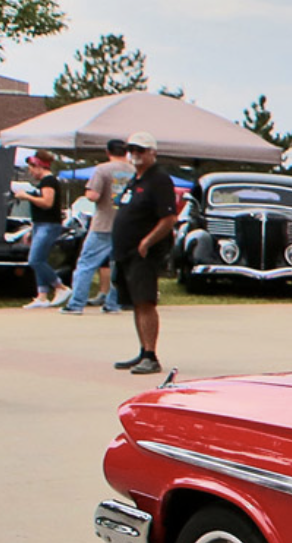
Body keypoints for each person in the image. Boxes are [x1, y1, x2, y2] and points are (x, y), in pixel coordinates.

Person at [109, 131, 178, 377]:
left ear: (152, 152)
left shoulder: (159, 180)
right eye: (132, 150)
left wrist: (147, 241)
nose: (135, 154)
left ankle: (151, 355)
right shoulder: (136, 179)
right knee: (137, 303)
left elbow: (169, 218)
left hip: (144, 253)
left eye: (140, 150)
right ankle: (142, 350)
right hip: (126, 253)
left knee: (146, 302)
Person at [64, 138, 128, 315]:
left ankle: (76, 303)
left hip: (103, 223)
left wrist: (88, 192)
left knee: (86, 263)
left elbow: (93, 195)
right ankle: (113, 303)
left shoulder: (102, 169)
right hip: (125, 225)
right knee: (117, 266)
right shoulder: (135, 171)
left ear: (108, 152)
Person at [15, 153, 70, 309]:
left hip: (49, 225)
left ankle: (60, 287)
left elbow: (47, 203)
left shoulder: (48, 182)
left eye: (31, 168)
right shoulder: (44, 182)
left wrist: (27, 197)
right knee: (41, 259)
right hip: (40, 224)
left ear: (39, 166)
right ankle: (42, 295)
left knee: (35, 260)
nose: (31, 172)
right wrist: (32, 229)